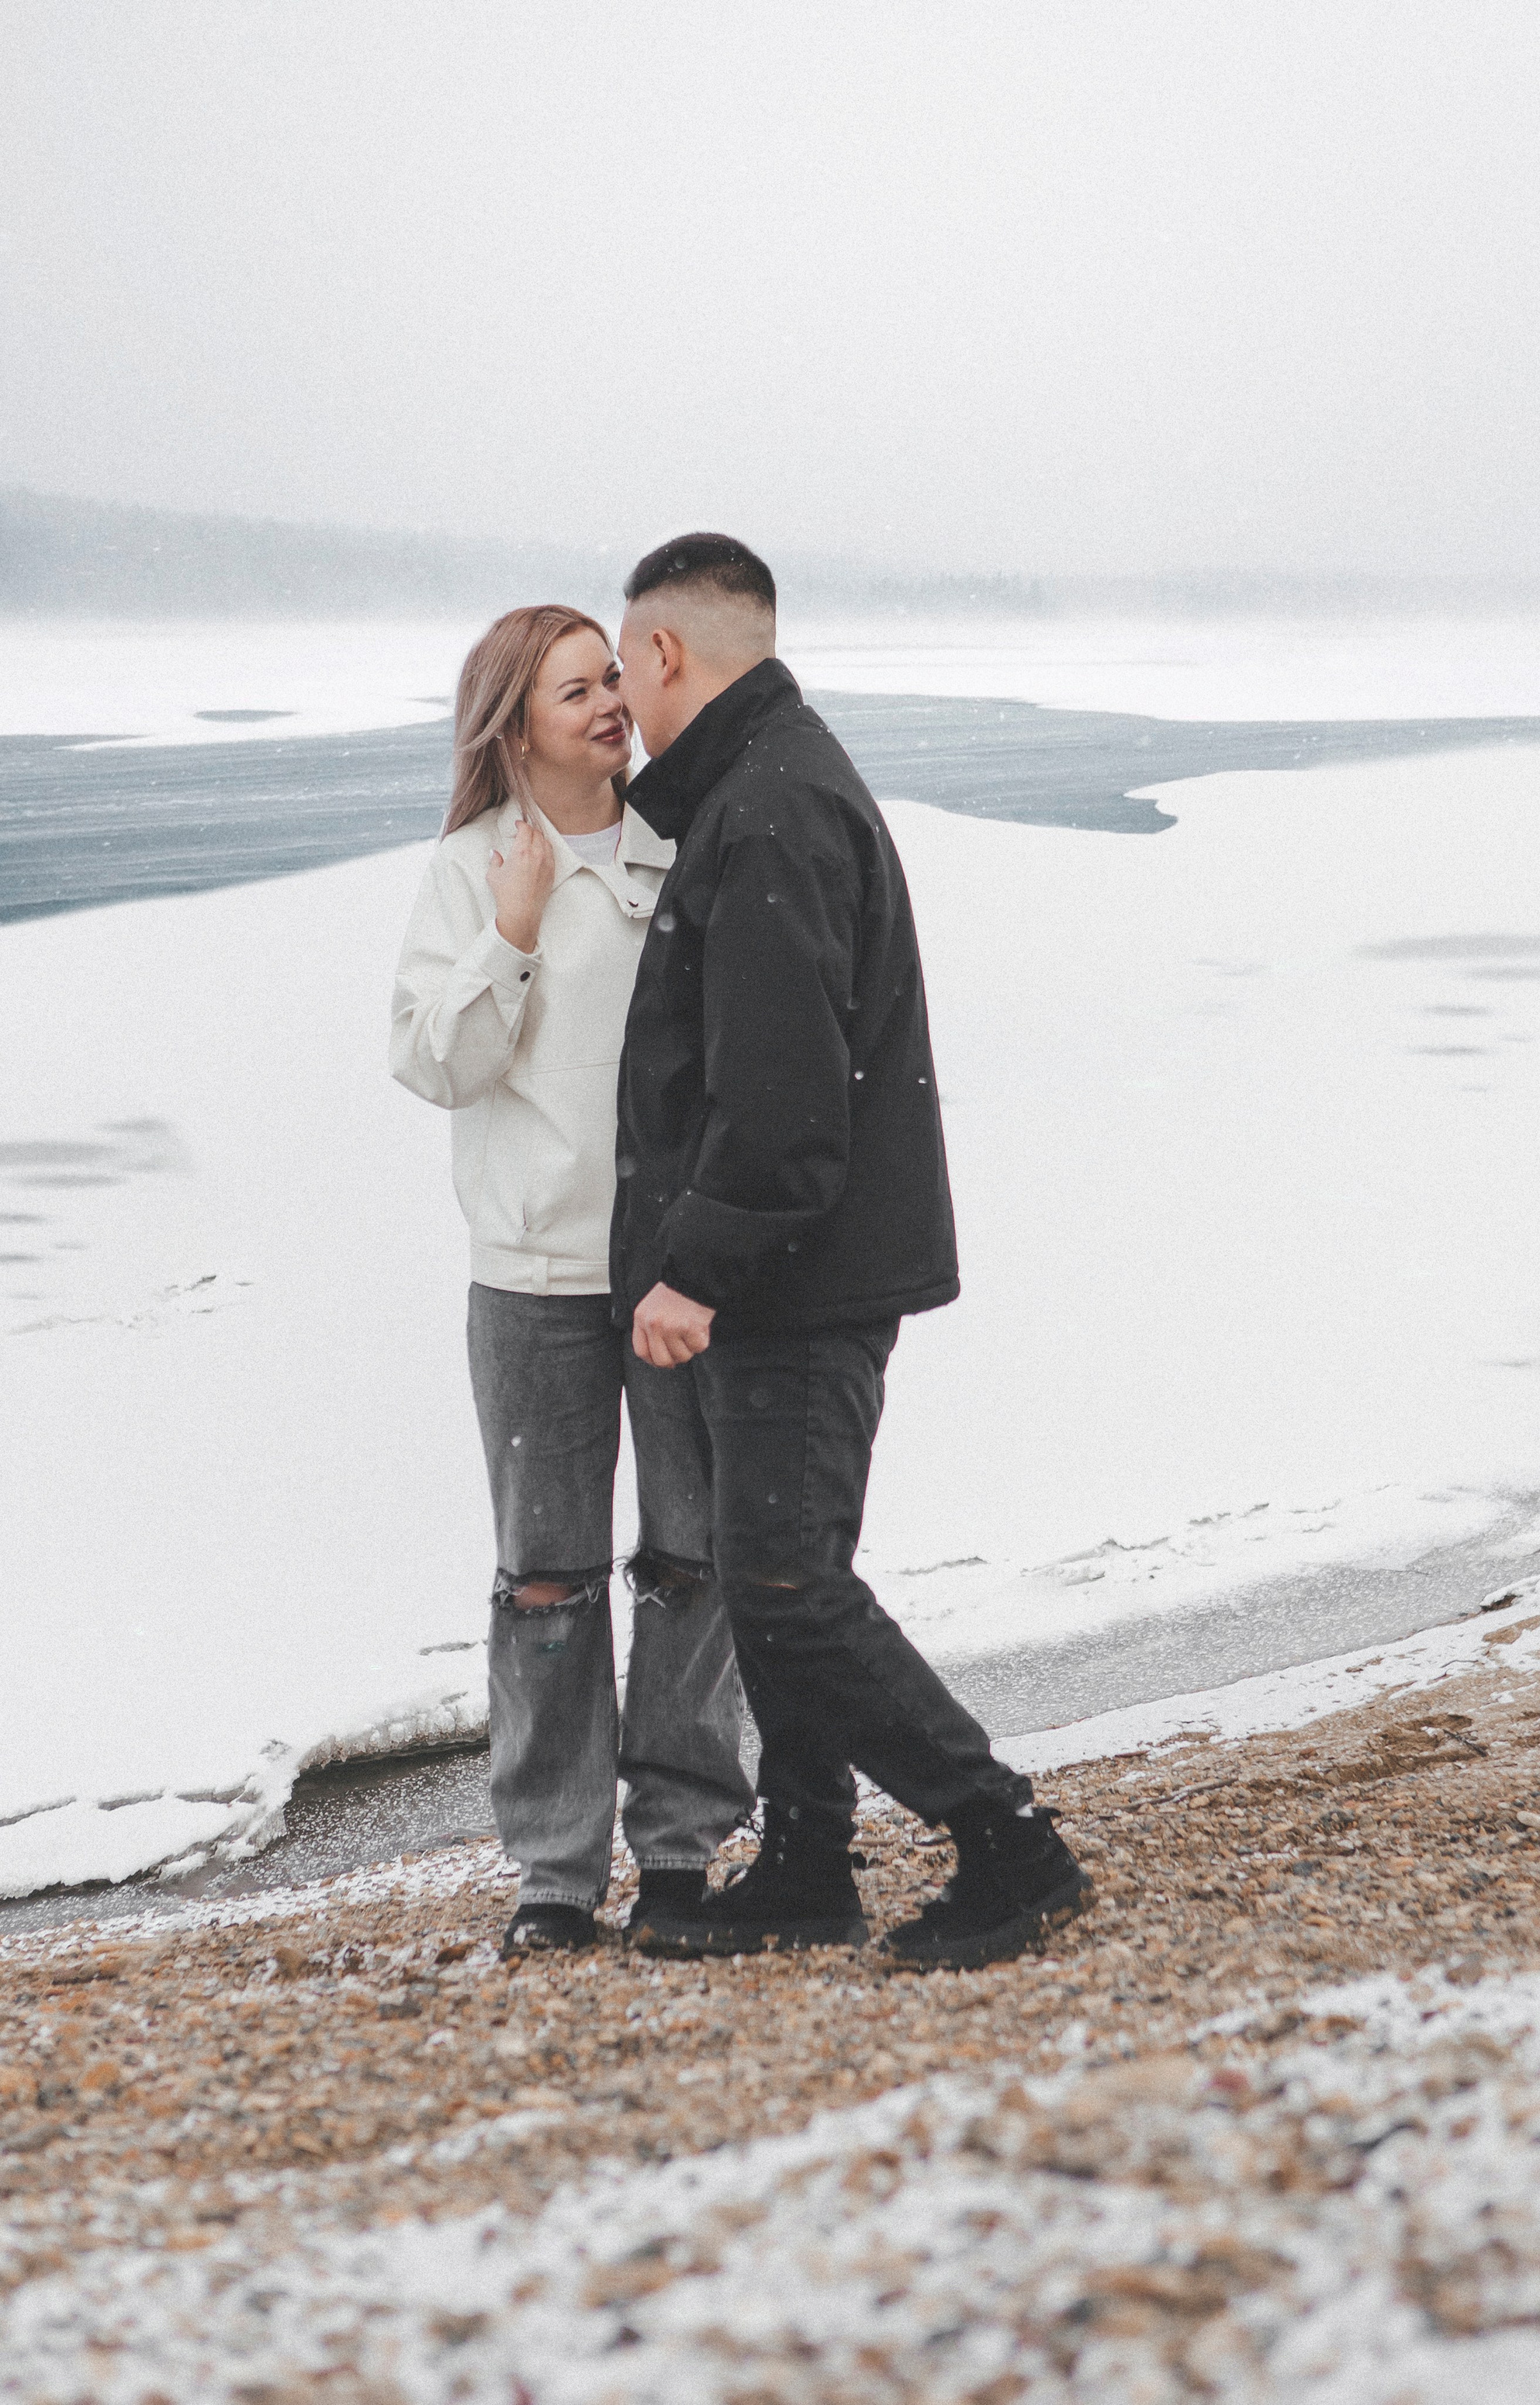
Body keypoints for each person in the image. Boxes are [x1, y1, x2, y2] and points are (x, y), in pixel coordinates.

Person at [608, 532, 1092, 1971]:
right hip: (802, 1268)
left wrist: (695, 1269)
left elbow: (786, 1104)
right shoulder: (764, 786)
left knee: (786, 1590)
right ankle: (812, 1863)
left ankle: (1010, 1844)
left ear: (669, 653)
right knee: (781, 1582)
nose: (625, 694)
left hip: (796, 1281)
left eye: (627, 659)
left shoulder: (767, 812)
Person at [389, 604, 753, 1960]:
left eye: (614, 678)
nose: (610, 703)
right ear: (514, 721)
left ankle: (677, 1848)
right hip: (530, 1276)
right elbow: (438, 1065)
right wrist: (516, 932)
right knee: (544, 1581)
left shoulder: (683, 845)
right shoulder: (470, 870)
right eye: (575, 689)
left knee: (689, 1561)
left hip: (672, 1276)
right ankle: (553, 1869)